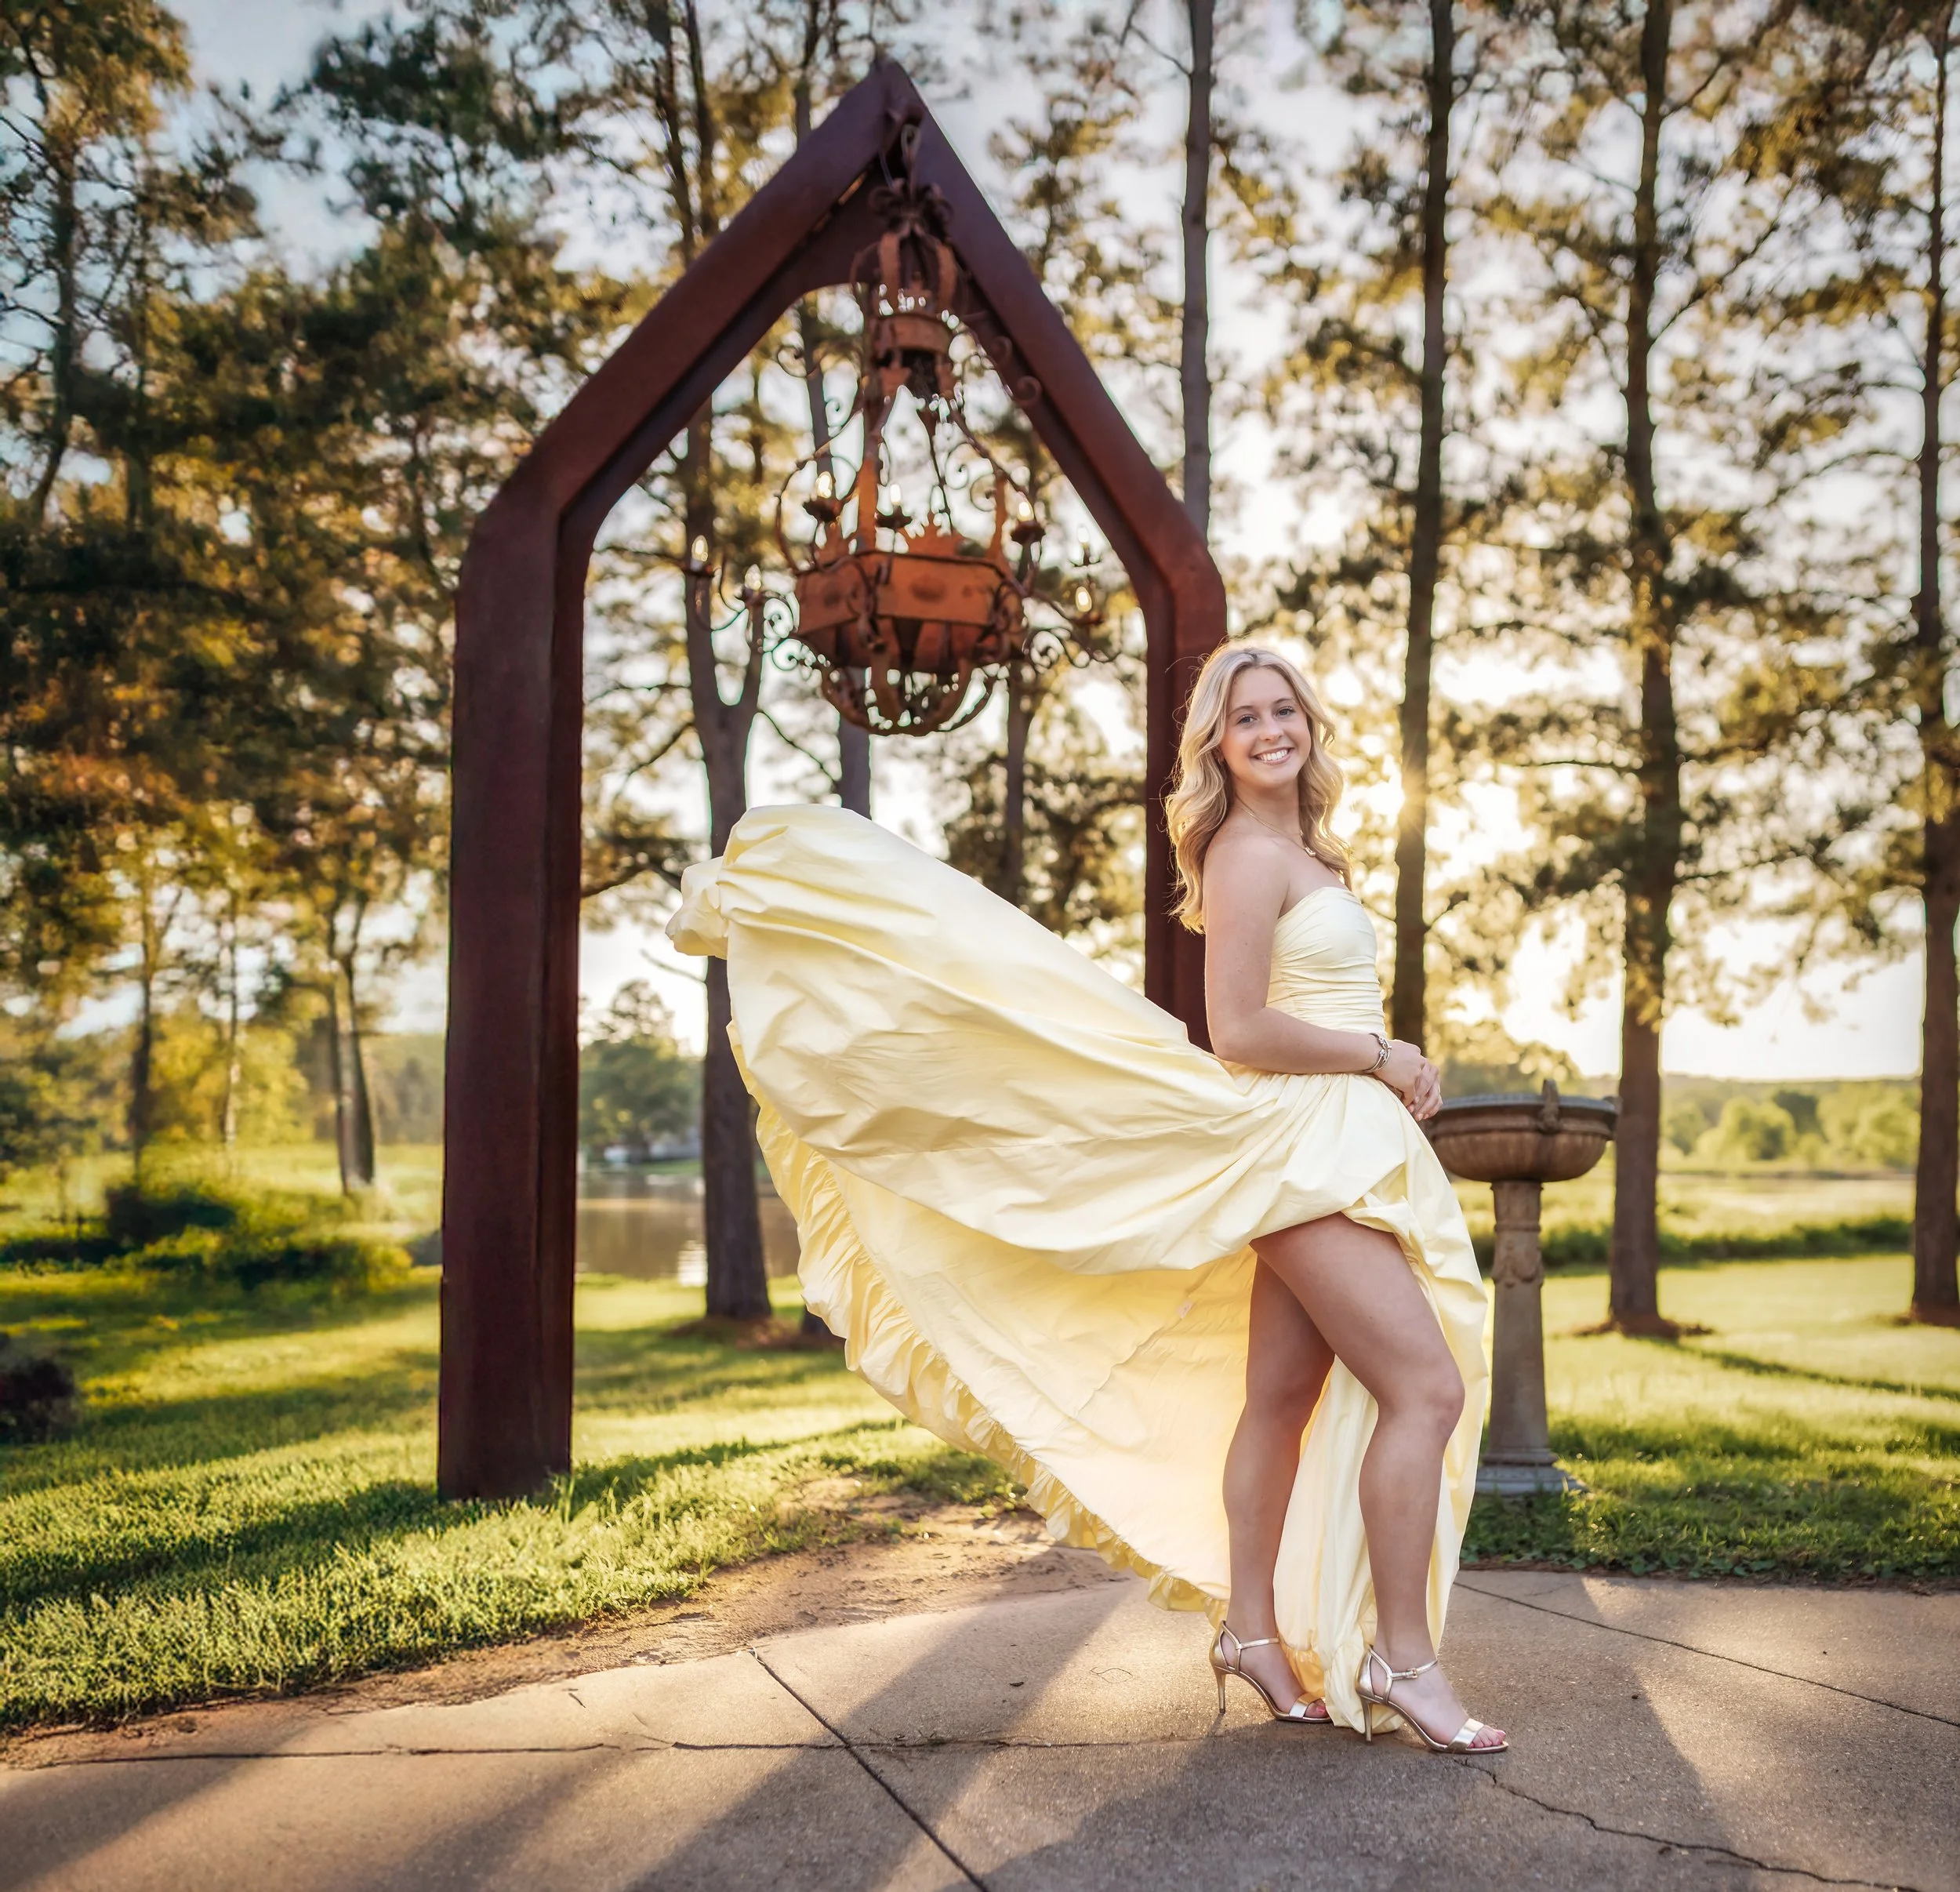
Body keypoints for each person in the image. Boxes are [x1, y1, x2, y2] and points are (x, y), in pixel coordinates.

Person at [666, 641, 1502, 1751]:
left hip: (1333, 1142)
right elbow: (1240, 1031)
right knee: (1426, 1391)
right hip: (1307, 1151)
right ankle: (1405, 1662)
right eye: (1243, 718)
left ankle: (1253, 1631)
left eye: (1282, 710)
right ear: (1217, 744)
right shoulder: (1251, 856)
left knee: (1279, 1400)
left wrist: (1379, 1065)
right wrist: (1383, 1052)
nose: (1268, 731)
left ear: (1310, 724)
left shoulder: (1306, 852)